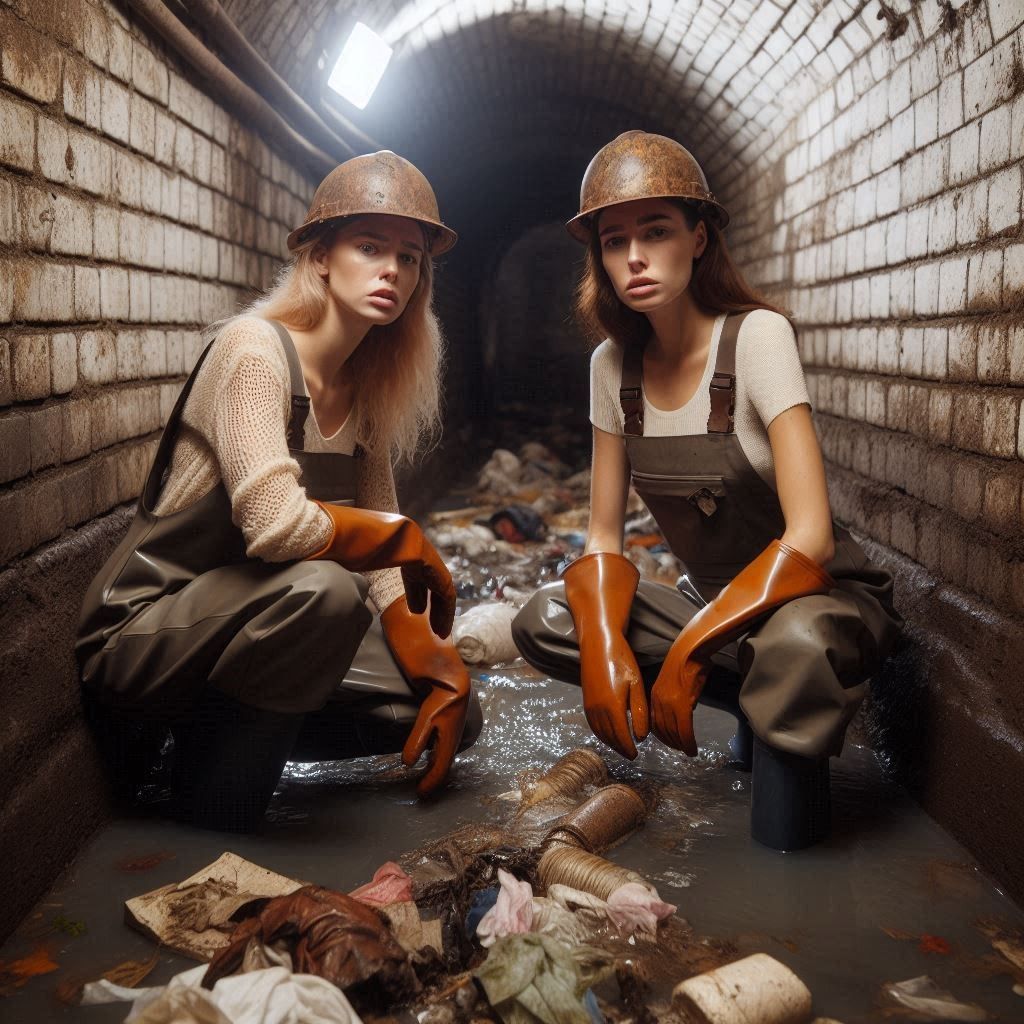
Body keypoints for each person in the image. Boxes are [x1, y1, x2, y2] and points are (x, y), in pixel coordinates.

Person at [513, 131, 901, 850]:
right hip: (722, 618)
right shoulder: (611, 367)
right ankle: (755, 706)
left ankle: (788, 872)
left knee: (792, 644)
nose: (634, 256)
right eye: (613, 239)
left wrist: (691, 648)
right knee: (549, 617)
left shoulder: (758, 338)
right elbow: (603, 537)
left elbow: (811, 535)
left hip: (818, 605)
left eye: (655, 232)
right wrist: (602, 647)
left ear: (698, 238)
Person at [77, 151, 481, 832]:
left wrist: (430, 656)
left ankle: (219, 741)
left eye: (410, 258)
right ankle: (213, 809)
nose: (393, 270)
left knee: (451, 712)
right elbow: (275, 525)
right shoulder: (254, 351)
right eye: (369, 246)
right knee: (325, 590)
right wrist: (402, 538)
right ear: (321, 256)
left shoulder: (367, 385)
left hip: (259, 631)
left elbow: (380, 557)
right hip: (148, 631)